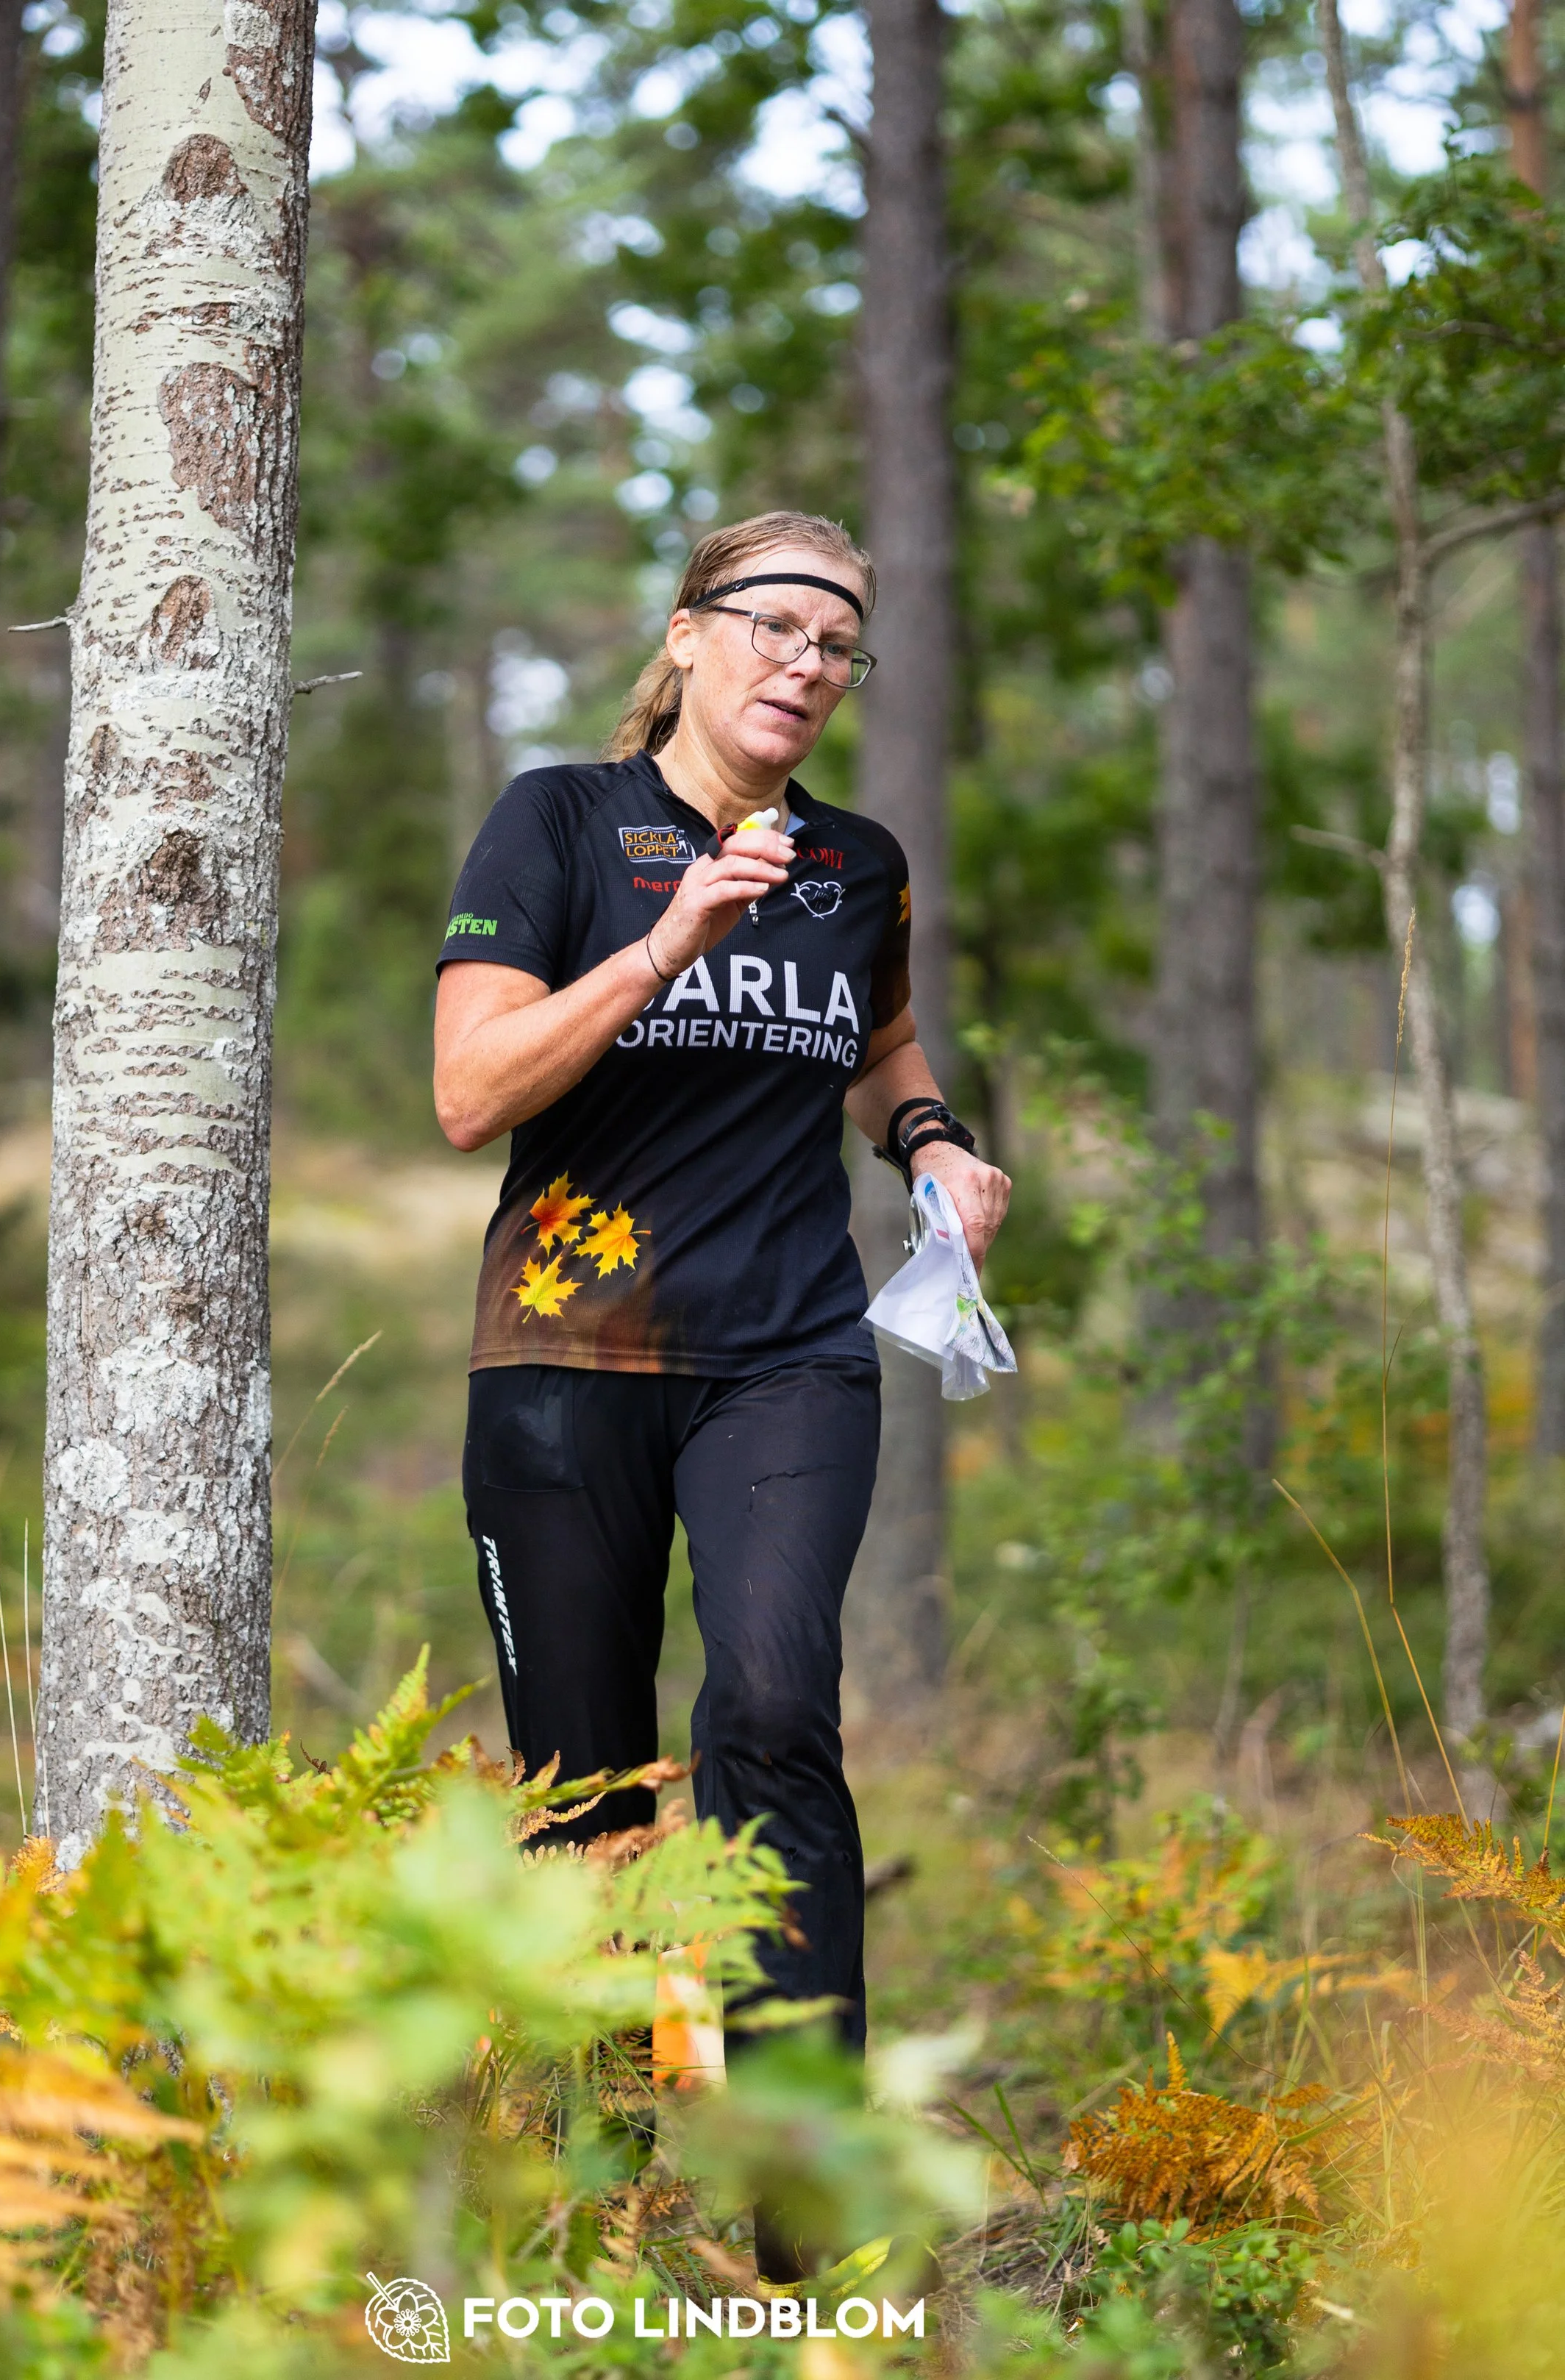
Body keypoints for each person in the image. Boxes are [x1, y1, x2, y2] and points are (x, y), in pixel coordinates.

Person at [432, 510, 1010, 2061]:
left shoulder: (852, 865)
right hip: (561, 1363)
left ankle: (804, 2188)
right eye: (776, 626)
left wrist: (936, 1145)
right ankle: (594, 2180)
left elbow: (879, 1045)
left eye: (835, 645)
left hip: (787, 1358)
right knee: (581, 1792)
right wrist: (663, 942)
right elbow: (469, 1091)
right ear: (686, 634)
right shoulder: (557, 823)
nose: (806, 665)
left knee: (770, 1711)